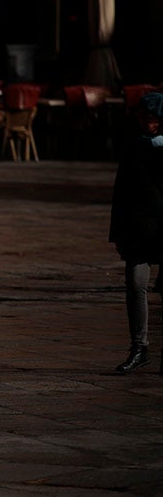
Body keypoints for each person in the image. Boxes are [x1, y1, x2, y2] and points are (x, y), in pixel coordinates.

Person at [109, 92, 163, 374]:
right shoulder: (133, 146)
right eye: (144, 118)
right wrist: (117, 233)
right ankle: (139, 347)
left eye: (153, 119)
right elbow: (121, 193)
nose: (148, 124)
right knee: (135, 283)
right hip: (138, 228)